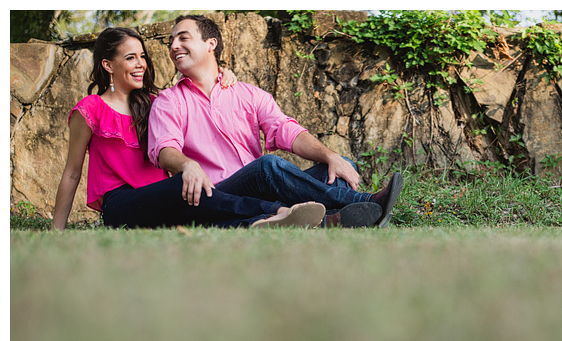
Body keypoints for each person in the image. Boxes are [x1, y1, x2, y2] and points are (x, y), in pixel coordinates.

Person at [52, 27, 329, 232]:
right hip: (122, 203)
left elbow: (171, 140)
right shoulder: (89, 109)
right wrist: (57, 230)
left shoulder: (154, 103)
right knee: (180, 186)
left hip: (167, 200)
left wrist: (225, 75)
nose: (140, 64)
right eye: (131, 58)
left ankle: (264, 222)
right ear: (108, 65)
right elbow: (72, 172)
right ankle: (277, 210)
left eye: (142, 57)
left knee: (195, 201)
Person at [148, 14, 402, 229]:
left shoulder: (249, 94)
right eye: (171, 41)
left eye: (183, 38)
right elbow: (164, 149)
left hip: (263, 188)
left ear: (210, 44)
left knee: (338, 166)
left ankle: (331, 218)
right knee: (266, 166)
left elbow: (286, 131)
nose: (173, 46)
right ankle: (365, 201)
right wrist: (188, 164)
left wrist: (330, 156)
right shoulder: (169, 101)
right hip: (218, 194)